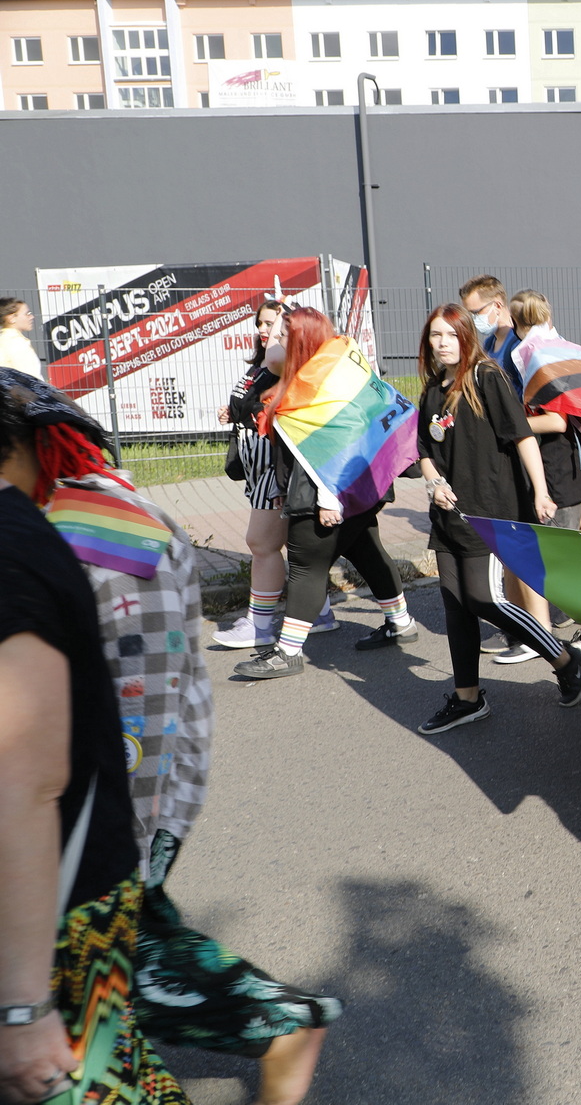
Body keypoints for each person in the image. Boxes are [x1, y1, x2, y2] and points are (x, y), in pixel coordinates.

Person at [0, 372, 340, 1101]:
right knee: (118, 973)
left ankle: (277, 1023)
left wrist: (121, 833)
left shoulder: (94, 527)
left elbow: (137, 697)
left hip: (113, 803)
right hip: (107, 806)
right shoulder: (72, 512)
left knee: (100, 984)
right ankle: (278, 1025)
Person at [0, 392, 191, 1105]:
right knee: (114, 1073)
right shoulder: (39, 526)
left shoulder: (51, 535)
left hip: (62, 887)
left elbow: (26, 779)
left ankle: (289, 1025)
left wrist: (21, 1008)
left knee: (100, 1081)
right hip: (80, 870)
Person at [414, 305, 581, 733]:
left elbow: (523, 436)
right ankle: (467, 699)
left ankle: (565, 658)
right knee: (456, 606)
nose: (443, 343)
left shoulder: (485, 377)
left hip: (490, 513)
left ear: (465, 337)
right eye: (436, 335)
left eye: (451, 335)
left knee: (483, 599)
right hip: (448, 517)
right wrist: (434, 483)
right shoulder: (432, 391)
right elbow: (424, 451)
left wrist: (541, 492)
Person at [231, 308, 416, 681]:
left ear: (301, 340)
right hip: (357, 486)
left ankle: (288, 652)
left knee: (306, 564)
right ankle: (401, 622)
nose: (274, 339)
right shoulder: (334, 365)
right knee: (365, 549)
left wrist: (331, 498)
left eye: (284, 334)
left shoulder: (313, 384)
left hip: (325, 490)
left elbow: (338, 440)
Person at [493, 291, 581, 662]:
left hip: (558, 468)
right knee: (563, 553)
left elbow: (556, 421)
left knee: (559, 560)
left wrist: (509, 425)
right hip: (562, 467)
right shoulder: (548, 348)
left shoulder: (535, 356)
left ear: (516, 322)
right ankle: (551, 629)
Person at [210, 298, 336, 649]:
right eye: (262, 324)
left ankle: (259, 625)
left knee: (261, 543)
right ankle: (320, 612)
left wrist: (284, 319)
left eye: (275, 326)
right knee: (291, 547)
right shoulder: (263, 365)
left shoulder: (285, 365)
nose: (266, 331)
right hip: (260, 469)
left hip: (274, 469)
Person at [0, 298, 38, 377]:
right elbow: (29, 377)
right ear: (12, 319)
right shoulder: (15, 342)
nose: (31, 317)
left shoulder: (5, 339)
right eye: (27, 314)